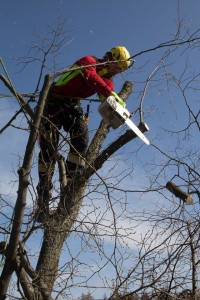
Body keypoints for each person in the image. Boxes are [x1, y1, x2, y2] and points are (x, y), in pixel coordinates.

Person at [37, 46, 132, 202]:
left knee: (81, 134)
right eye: (118, 66)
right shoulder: (89, 61)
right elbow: (91, 78)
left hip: (72, 104)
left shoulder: (108, 82)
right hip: (52, 101)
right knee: (48, 149)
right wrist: (110, 94)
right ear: (110, 58)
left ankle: (72, 176)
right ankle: (43, 191)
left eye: (121, 69)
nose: (118, 71)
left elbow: (105, 96)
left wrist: (117, 108)